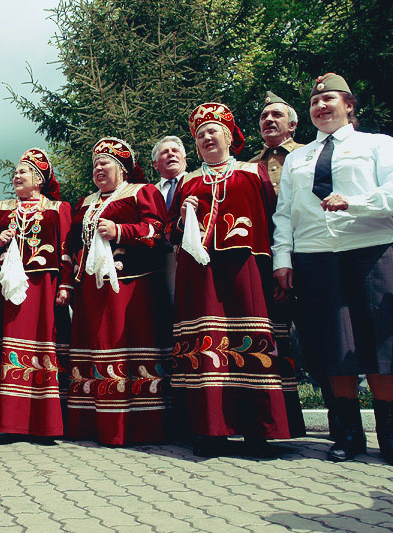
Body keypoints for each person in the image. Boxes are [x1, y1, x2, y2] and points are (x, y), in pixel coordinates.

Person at [169, 103, 304, 456]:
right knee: (206, 343)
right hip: (199, 274)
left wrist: (280, 264)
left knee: (249, 338)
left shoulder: (252, 171)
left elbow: (277, 218)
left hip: (246, 267)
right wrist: (183, 222)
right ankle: (210, 431)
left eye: (213, 131)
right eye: (199, 135)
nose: (206, 138)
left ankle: (259, 431)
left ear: (229, 136)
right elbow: (169, 230)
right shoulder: (187, 181)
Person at [272, 73, 393, 464]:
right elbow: (284, 214)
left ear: (349, 105)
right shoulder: (297, 158)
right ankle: (347, 435)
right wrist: (283, 260)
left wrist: (354, 203)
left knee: (381, 344)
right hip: (315, 256)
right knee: (334, 345)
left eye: (329, 100)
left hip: (370, 250)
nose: (321, 107)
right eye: (315, 103)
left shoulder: (377, 145)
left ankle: (389, 436)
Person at [64, 137, 172, 445]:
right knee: (96, 347)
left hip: (131, 287)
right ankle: (93, 423)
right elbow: (71, 244)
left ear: (122, 168)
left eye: (105, 163)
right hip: (92, 291)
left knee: (128, 346)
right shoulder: (87, 202)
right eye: (95, 164)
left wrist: (120, 231)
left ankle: (139, 425)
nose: (98, 168)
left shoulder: (142, 192)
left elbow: (157, 229)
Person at [250, 91, 340, 438]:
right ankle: (282, 419)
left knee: (322, 333)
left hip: (310, 253)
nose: (269, 121)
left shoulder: (309, 155)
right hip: (267, 261)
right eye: (263, 117)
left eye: (276, 115)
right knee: (275, 339)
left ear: (293, 123)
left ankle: (339, 416)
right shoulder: (250, 165)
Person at [0, 148, 71, 438]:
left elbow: (67, 250)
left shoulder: (58, 209)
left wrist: (66, 285)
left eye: (24, 171)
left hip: (44, 288)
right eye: (16, 172)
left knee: (43, 343)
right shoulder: (2, 207)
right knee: (7, 344)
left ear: (39, 179)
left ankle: (46, 424)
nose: (17, 176)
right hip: (7, 289)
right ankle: (8, 423)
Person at [151, 135, 188, 300]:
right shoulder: (148, 192)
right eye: (165, 152)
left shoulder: (198, 182)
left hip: (191, 255)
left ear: (185, 159)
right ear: (155, 164)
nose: (171, 154)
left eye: (175, 151)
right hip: (158, 261)